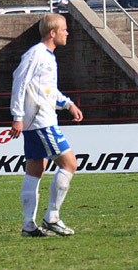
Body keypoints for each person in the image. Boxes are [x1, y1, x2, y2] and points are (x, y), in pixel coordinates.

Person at [10, 13, 83, 237]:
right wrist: (17, 115)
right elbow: (19, 81)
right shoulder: (36, 54)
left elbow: (47, 90)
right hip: (42, 122)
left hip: (39, 121)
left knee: (35, 169)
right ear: (52, 33)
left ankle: (28, 226)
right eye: (64, 29)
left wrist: (68, 104)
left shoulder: (48, 56)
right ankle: (52, 217)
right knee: (70, 164)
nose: (67, 33)